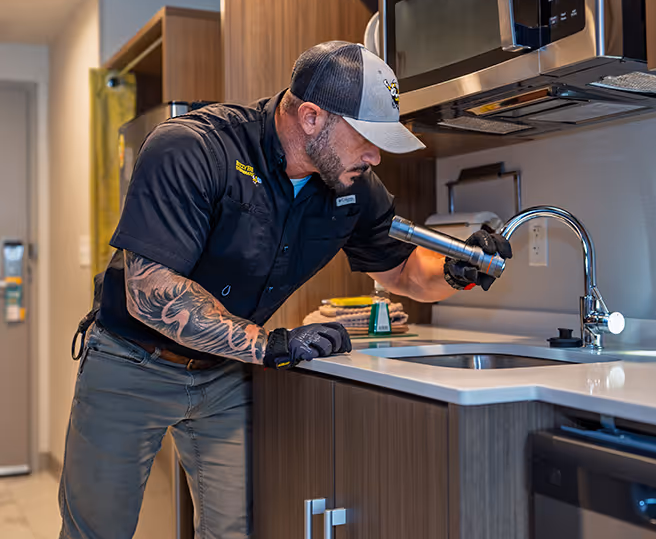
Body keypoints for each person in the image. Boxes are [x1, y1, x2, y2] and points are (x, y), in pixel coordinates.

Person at [59, 41, 512, 539]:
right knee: (96, 531)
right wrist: (268, 344)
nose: (375, 155)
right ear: (312, 118)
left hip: (224, 375)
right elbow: (151, 291)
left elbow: (403, 271)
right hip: (131, 362)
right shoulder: (193, 147)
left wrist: (458, 270)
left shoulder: (352, 184)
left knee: (235, 529)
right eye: (365, 136)